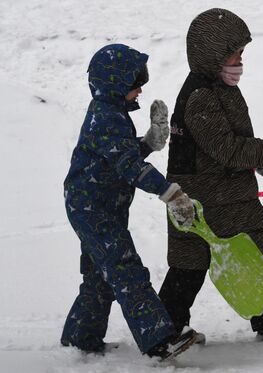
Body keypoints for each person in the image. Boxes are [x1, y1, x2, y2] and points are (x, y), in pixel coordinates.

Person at [160, 8, 263, 343]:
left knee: (244, 255)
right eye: (235, 54)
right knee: (193, 265)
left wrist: (251, 160)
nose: (240, 61)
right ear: (212, 56)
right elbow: (225, 147)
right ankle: (165, 329)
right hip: (204, 199)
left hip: (219, 193)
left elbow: (224, 145)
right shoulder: (201, 96)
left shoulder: (215, 87)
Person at [61, 43, 198, 360]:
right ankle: (158, 341)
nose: (139, 91)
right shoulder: (107, 118)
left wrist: (148, 142)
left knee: (100, 275)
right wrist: (171, 193)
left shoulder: (110, 114)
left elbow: (118, 155)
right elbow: (129, 166)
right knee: (126, 271)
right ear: (116, 83)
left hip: (95, 206)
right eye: (135, 85)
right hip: (94, 209)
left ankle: (81, 339)